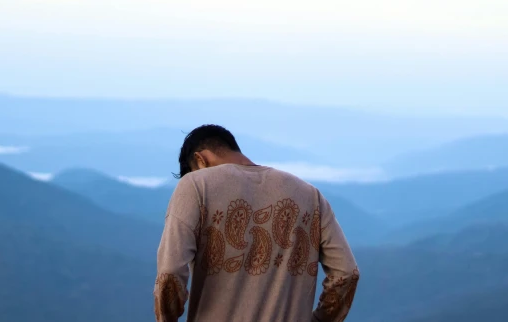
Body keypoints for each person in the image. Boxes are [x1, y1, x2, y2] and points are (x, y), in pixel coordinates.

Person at [154, 124, 359, 322]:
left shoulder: (195, 185)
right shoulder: (310, 196)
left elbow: (171, 274)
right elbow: (347, 273)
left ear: (200, 160)